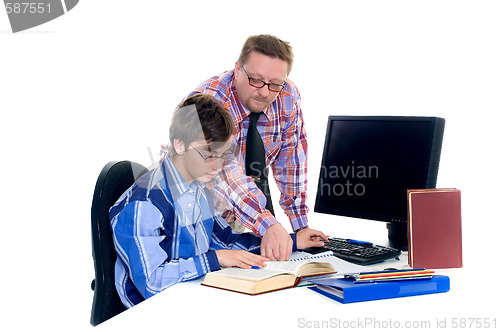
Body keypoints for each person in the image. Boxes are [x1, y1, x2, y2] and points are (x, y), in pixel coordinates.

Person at [110, 94, 326, 308]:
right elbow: (151, 282)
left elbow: (226, 243)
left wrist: (290, 240)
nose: (216, 166)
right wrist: (214, 259)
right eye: (208, 154)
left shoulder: (199, 189)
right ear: (179, 145)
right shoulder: (144, 204)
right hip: (151, 312)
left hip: (192, 294)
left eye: (222, 155)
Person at [161, 34, 327, 261]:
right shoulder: (209, 102)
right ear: (237, 69)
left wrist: (300, 227)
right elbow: (222, 172)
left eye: (275, 84)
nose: (265, 92)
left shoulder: (287, 95)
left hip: (241, 214)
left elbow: (292, 163)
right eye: (256, 80)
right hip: (195, 213)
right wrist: (268, 224)